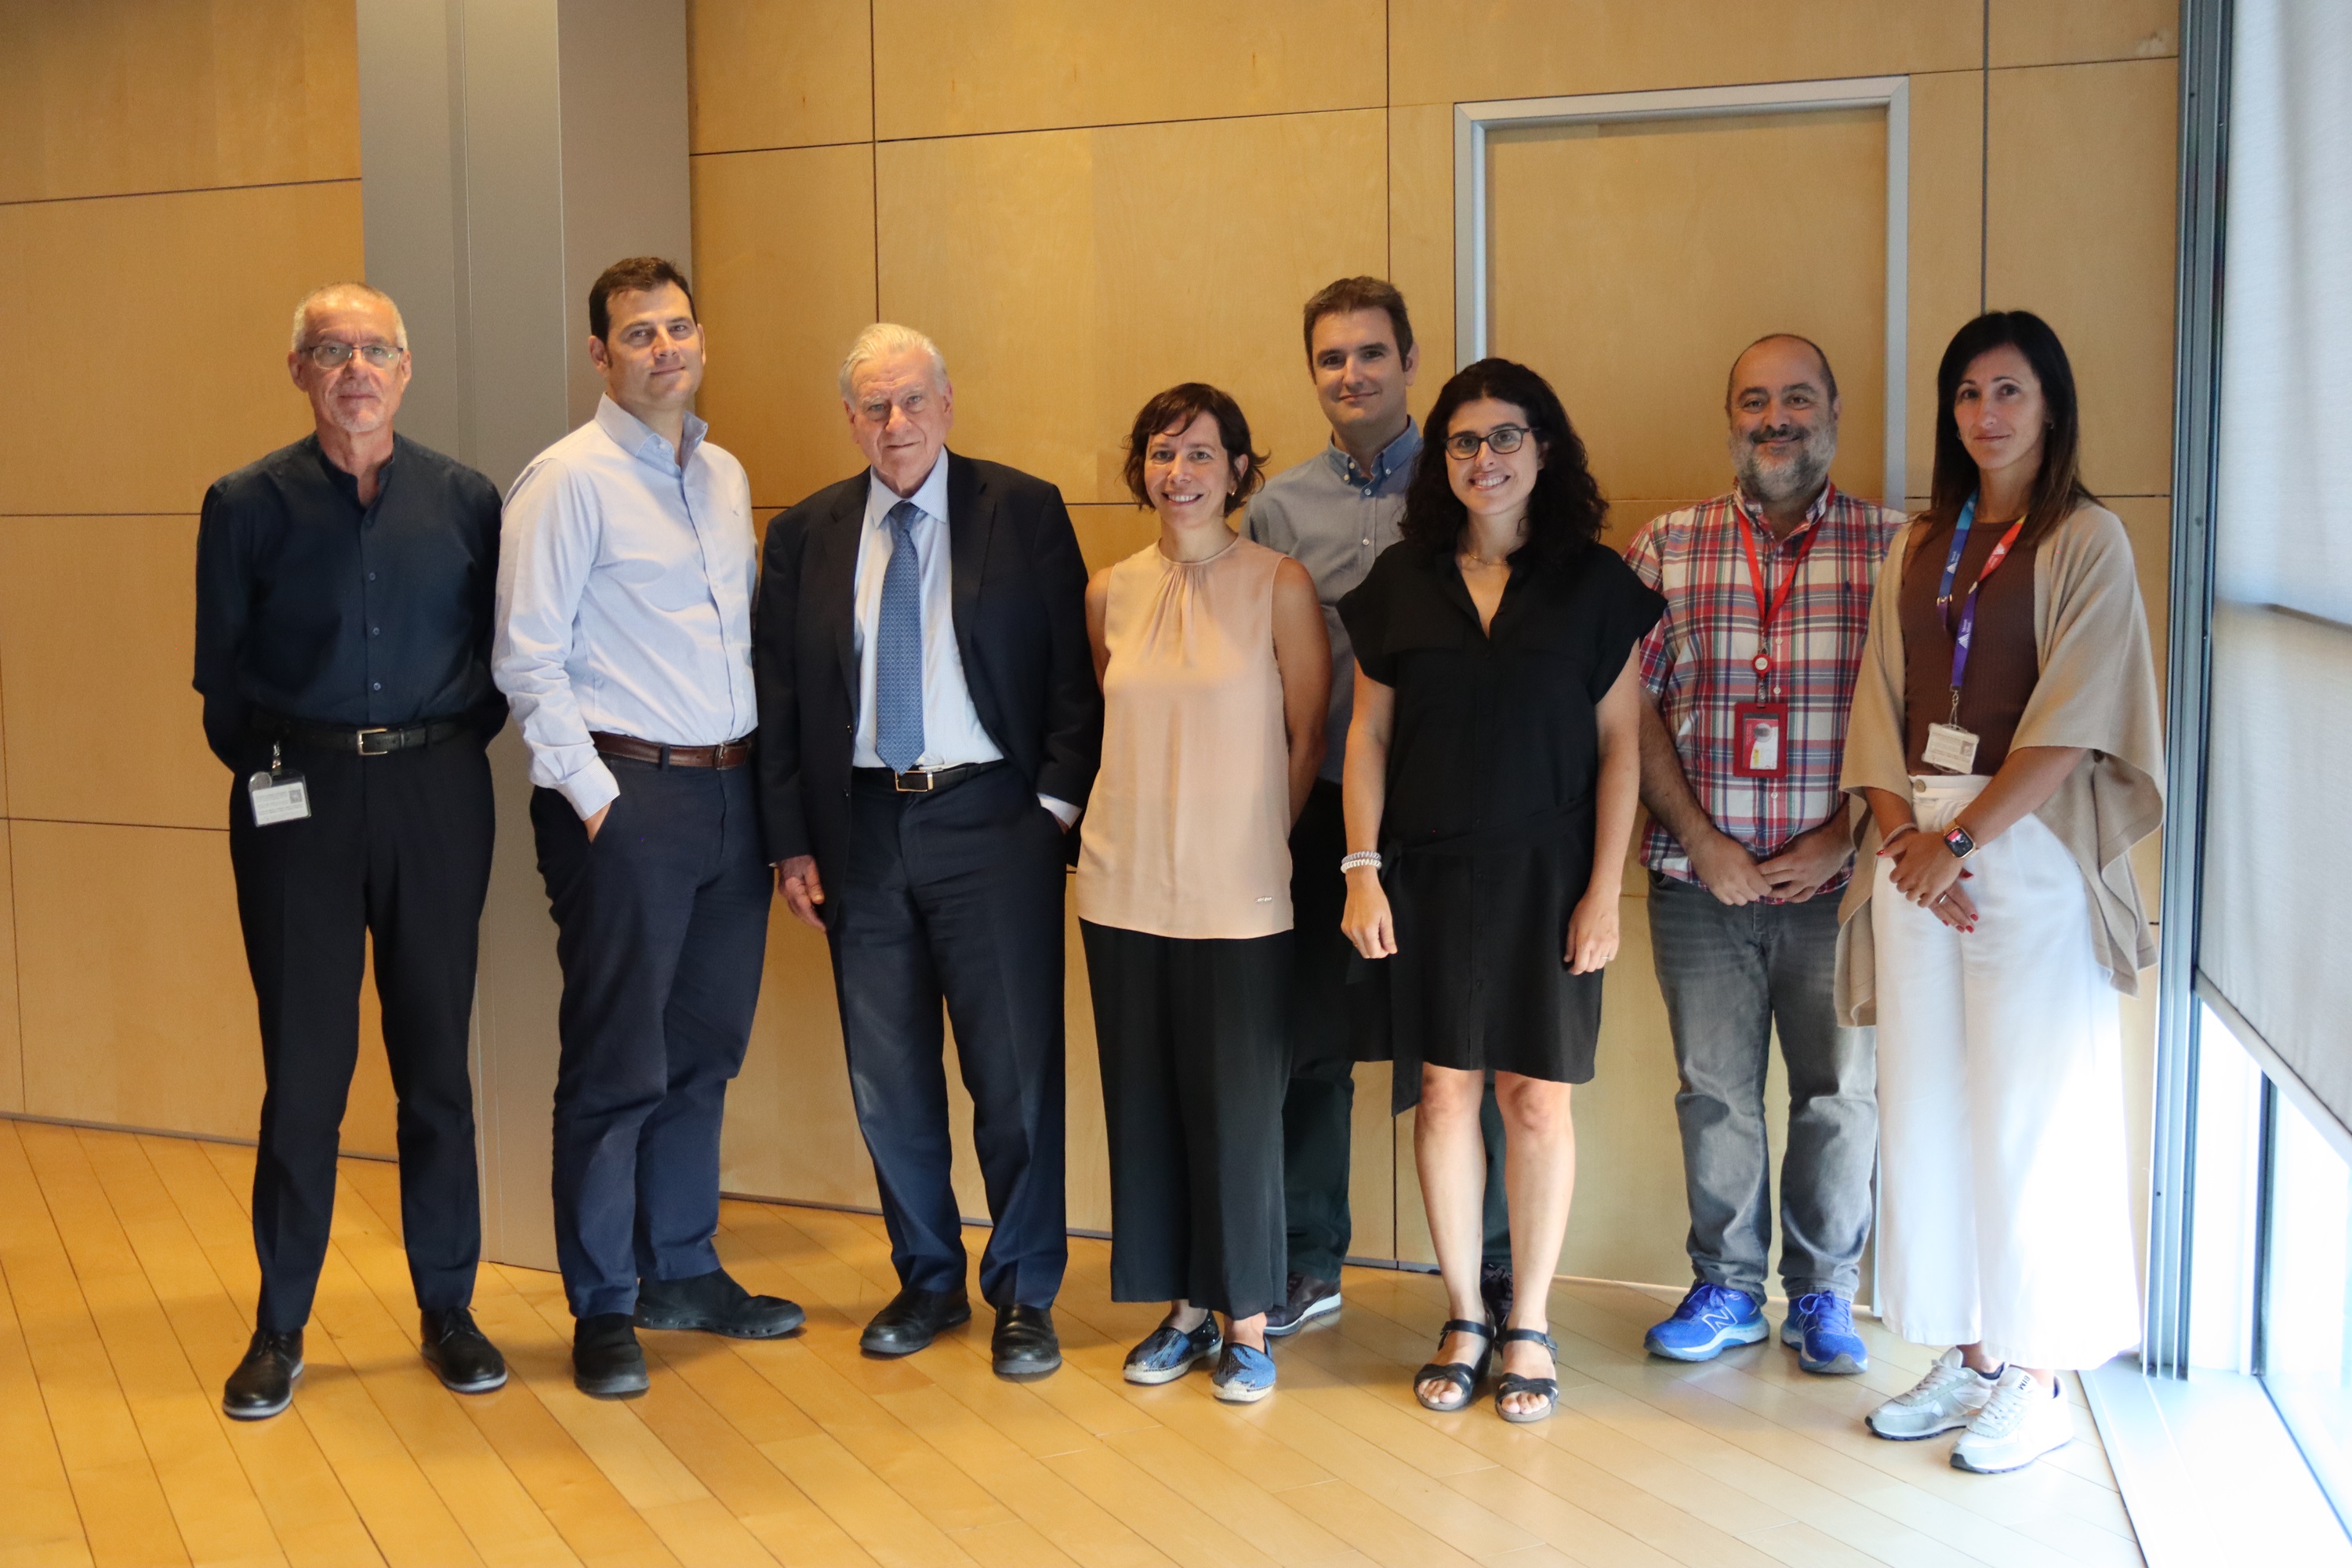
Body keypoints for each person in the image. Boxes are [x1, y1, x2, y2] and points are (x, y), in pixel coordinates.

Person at [1839, 310, 2161, 1474]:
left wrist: (1958, 843)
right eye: (1969, 393)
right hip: (1912, 842)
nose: (1988, 414)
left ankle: (2041, 1374)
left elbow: (2075, 726)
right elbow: (1877, 701)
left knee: (2034, 1111)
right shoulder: (1924, 541)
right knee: (1928, 1106)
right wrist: (1902, 837)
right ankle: (1973, 1355)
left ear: (2053, 407)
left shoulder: (2087, 541)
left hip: (2021, 846)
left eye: (2010, 391)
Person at [755, 324, 1099, 1380]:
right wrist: (792, 843)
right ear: (850, 420)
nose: (893, 424)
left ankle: (1026, 1288)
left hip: (993, 822)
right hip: (860, 827)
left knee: (1014, 1076)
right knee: (888, 1076)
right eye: (873, 407)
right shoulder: (807, 532)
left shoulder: (1023, 509)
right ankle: (928, 1277)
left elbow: (1072, 681)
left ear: (948, 405)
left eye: (910, 402)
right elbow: (780, 698)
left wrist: (1049, 806)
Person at [196, 282, 509, 1421]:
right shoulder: (244, 504)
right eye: (332, 350)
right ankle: (279, 1328)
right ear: (300, 372)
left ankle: (449, 1308)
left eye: (376, 349)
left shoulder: (467, 501)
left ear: (407, 368)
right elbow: (221, 688)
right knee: (306, 1079)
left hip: (436, 793)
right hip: (300, 799)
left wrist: (416, 756)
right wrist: (301, 763)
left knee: (435, 1067)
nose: (357, 369)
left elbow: (497, 673)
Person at [496, 256, 804, 1400]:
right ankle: (604, 1303)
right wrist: (599, 805)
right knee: (618, 1062)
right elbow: (526, 659)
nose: (664, 348)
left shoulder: (721, 475)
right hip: (626, 799)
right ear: (601, 355)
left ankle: (680, 1266)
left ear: (702, 338)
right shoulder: (566, 481)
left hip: (728, 797)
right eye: (639, 333)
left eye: (678, 327)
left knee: (705, 1052)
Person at [1339, 359, 1663, 1422]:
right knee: (1443, 1092)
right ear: (1444, 460)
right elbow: (1369, 735)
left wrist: (1602, 892)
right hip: (1425, 875)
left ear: (1546, 448)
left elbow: (1622, 747)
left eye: (1506, 437)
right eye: (1465, 442)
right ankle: (1463, 1315)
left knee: (1535, 1098)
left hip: (1551, 875)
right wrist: (1360, 869)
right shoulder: (1402, 581)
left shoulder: (1596, 583)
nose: (1486, 459)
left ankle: (1527, 1318)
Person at [1247, 278, 1518, 1338]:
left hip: (1451, 816)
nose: (1351, 374)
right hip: (1323, 809)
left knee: (1473, 1048)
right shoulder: (1279, 506)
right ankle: (1311, 1258)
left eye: (1370, 353)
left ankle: (1494, 1270)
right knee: (1311, 1043)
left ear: (1410, 360)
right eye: (1329, 358)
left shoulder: (1468, 480)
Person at [1627, 336, 1903, 1375]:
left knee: (1840, 1095)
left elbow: (1921, 715)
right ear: (1729, 416)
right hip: (1702, 882)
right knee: (1714, 1091)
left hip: (1843, 882)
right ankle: (1728, 1287)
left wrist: (1846, 832)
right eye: (1754, 400)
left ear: (1833, 411)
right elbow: (1632, 705)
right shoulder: (1667, 544)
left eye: (1797, 398)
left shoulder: (1894, 546)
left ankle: (1824, 1294)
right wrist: (1701, 839)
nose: (1775, 417)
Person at [1081, 384, 1330, 1403]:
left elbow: (1309, 733)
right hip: (1121, 882)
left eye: (1198, 453)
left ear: (1238, 470)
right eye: (1159, 452)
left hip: (1239, 893)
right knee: (1146, 1103)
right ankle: (1182, 1308)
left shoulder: (1279, 584)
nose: (1176, 471)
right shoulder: (1108, 590)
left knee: (1238, 1108)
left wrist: (1259, 842)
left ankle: (1250, 1321)